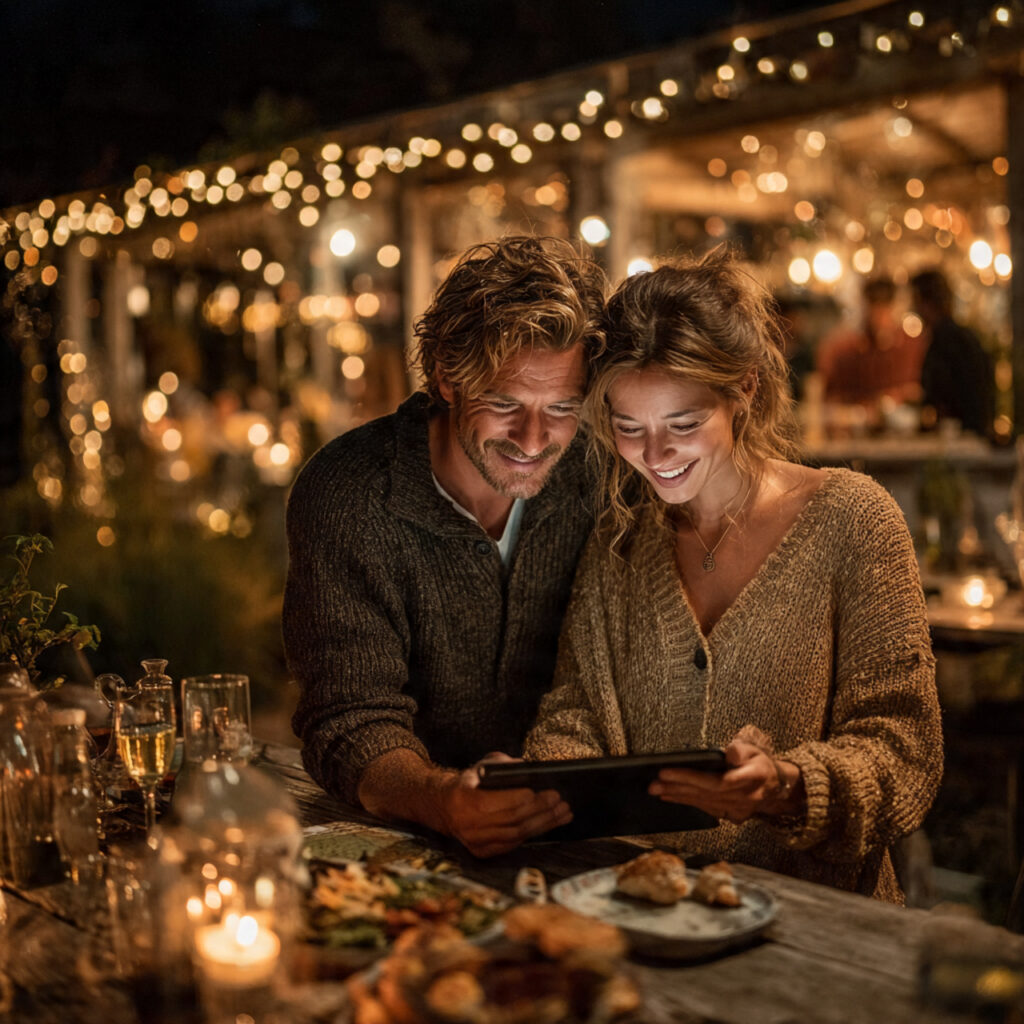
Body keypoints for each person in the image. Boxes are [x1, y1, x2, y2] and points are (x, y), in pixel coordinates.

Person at [524, 248, 943, 902]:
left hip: (820, 935)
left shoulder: (854, 521)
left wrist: (785, 787)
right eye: (629, 427)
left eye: (683, 424)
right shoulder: (621, 541)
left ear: (744, 388)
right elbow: (576, 713)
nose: (654, 456)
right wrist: (537, 784)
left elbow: (905, 750)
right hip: (649, 920)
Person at [284, 235, 607, 857]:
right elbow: (348, 720)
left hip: (577, 831)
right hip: (400, 842)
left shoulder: (597, 477)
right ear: (447, 378)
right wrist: (443, 800)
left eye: (562, 406)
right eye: (505, 403)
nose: (535, 438)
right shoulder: (349, 496)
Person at [816, 274, 924, 410]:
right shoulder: (847, 350)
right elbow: (832, 397)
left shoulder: (910, 346)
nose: (880, 318)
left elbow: (916, 391)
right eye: (876, 311)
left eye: (884, 310)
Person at [911, 268, 994, 437]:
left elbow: (948, 394)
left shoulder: (949, 342)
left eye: (915, 300)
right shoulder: (960, 337)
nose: (913, 307)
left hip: (959, 439)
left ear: (925, 302)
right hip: (966, 437)